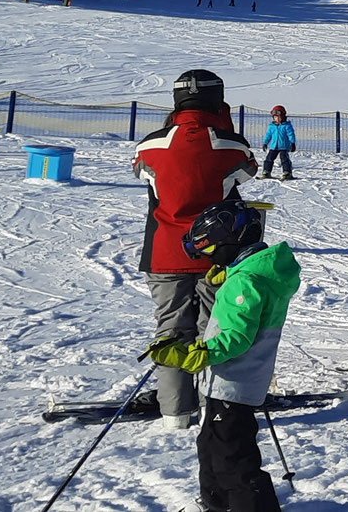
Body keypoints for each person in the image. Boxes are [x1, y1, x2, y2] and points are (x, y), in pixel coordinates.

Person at [146, 202, 300, 512]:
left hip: (234, 384)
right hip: (230, 382)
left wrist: (195, 353)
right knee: (211, 447)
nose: (207, 260)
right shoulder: (252, 274)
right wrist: (231, 273)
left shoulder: (245, 283)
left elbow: (237, 337)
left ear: (231, 243)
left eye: (210, 251)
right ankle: (216, 503)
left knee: (233, 457)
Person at [133, 69, 257, 428]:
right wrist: (225, 125)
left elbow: (141, 171)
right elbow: (247, 170)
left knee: (170, 329)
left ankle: (175, 411)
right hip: (215, 252)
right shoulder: (229, 144)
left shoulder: (149, 145)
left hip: (163, 252)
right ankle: (217, 406)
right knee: (215, 329)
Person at [260, 105, 296, 180]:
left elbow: (291, 134)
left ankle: (287, 172)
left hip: (284, 146)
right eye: (275, 117)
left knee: (284, 159)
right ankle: (266, 171)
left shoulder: (287, 126)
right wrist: (265, 143)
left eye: (279, 117)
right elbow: (268, 135)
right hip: (274, 146)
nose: (277, 119)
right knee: (269, 158)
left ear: (283, 117)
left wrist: (292, 143)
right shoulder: (271, 126)